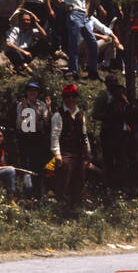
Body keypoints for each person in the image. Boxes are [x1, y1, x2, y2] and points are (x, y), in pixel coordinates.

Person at [50, 83, 92, 213]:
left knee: (80, 179)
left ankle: (76, 207)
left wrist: (88, 151)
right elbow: (54, 136)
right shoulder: (58, 115)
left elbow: (84, 134)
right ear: (64, 98)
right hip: (65, 152)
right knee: (64, 178)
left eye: (73, 96)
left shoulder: (80, 114)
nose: (71, 99)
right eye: (68, 96)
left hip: (78, 152)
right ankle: (61, 207)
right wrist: (57, 154)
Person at [16, 81, 51, 200]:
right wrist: (26, 108)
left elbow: (46, 121)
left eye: (34, 91)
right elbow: (25, 126)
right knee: (26, 165)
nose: (32, 93)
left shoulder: (41, 105)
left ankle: (40, 193)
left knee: (39, 166)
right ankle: (28, 193)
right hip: (26, 137)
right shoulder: (22, 105)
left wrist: (49, 107)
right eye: (30, 91)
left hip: (38, 138)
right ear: (26, 92)